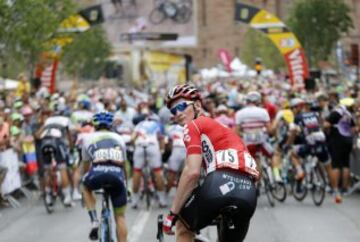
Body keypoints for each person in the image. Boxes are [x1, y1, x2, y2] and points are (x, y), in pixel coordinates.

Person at [163, 84, 258, 242]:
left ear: (198, 105)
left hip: (220, 183)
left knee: (183, 227)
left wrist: (173, 213)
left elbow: (191, 173)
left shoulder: (193, 125)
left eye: (181, 106)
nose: (177, 113)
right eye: (173, 110)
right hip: (248, 192)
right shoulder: (224, 130)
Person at [81, 111, 128, 242]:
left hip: (97, 173)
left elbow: (85, 168)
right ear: (111, 125)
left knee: (84, 185)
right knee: (120, 216)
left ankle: (94, 219)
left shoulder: (87, 138)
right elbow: (124, 167)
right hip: (117, 176)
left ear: (94, 125)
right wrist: (126, 187)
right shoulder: (119, 138)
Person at [325, 98, 357, 202]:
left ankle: (336, 189)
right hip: (348, 140)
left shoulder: (337, 111)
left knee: (336, 164)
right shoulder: (349, 114)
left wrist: (327, 129)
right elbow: (354, 129)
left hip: (337, 140)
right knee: (345, 164)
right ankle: (345, 188)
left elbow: (326, 124)